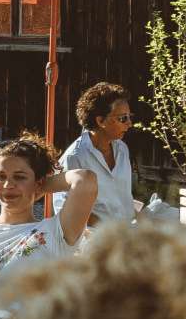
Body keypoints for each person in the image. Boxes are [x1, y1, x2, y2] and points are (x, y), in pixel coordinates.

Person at [0, 137, 98, 311]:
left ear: (39, 181)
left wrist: (40, 187)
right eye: (0, 176)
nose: (8, 185)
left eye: (19, 177)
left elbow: (85, 180)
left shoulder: (55, 232)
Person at [59, 81, 140, 225]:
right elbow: (66, 209)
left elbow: (122, 200)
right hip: (95, 235)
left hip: (128, 231)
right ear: (101, 121)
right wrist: (106, 230)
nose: (129, 123)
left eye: (130, 117)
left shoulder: (122, 149)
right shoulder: (75, 157)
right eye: (123, 118)